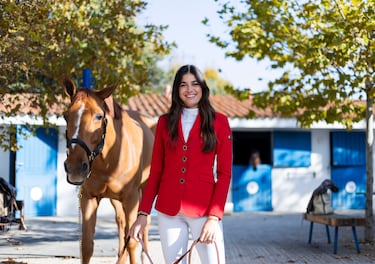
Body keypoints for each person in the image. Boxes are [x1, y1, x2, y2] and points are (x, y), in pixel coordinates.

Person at [129, 64, 233, 263]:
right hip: (169, 211)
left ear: (203, 87)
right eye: (183, 85)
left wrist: (214, 218)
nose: (189, 89)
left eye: (195, 84)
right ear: (177, 90)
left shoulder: (220, 122)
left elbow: (224, 174)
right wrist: (143, 214)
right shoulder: (164, 122)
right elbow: (156, 171)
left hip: (204, 210)